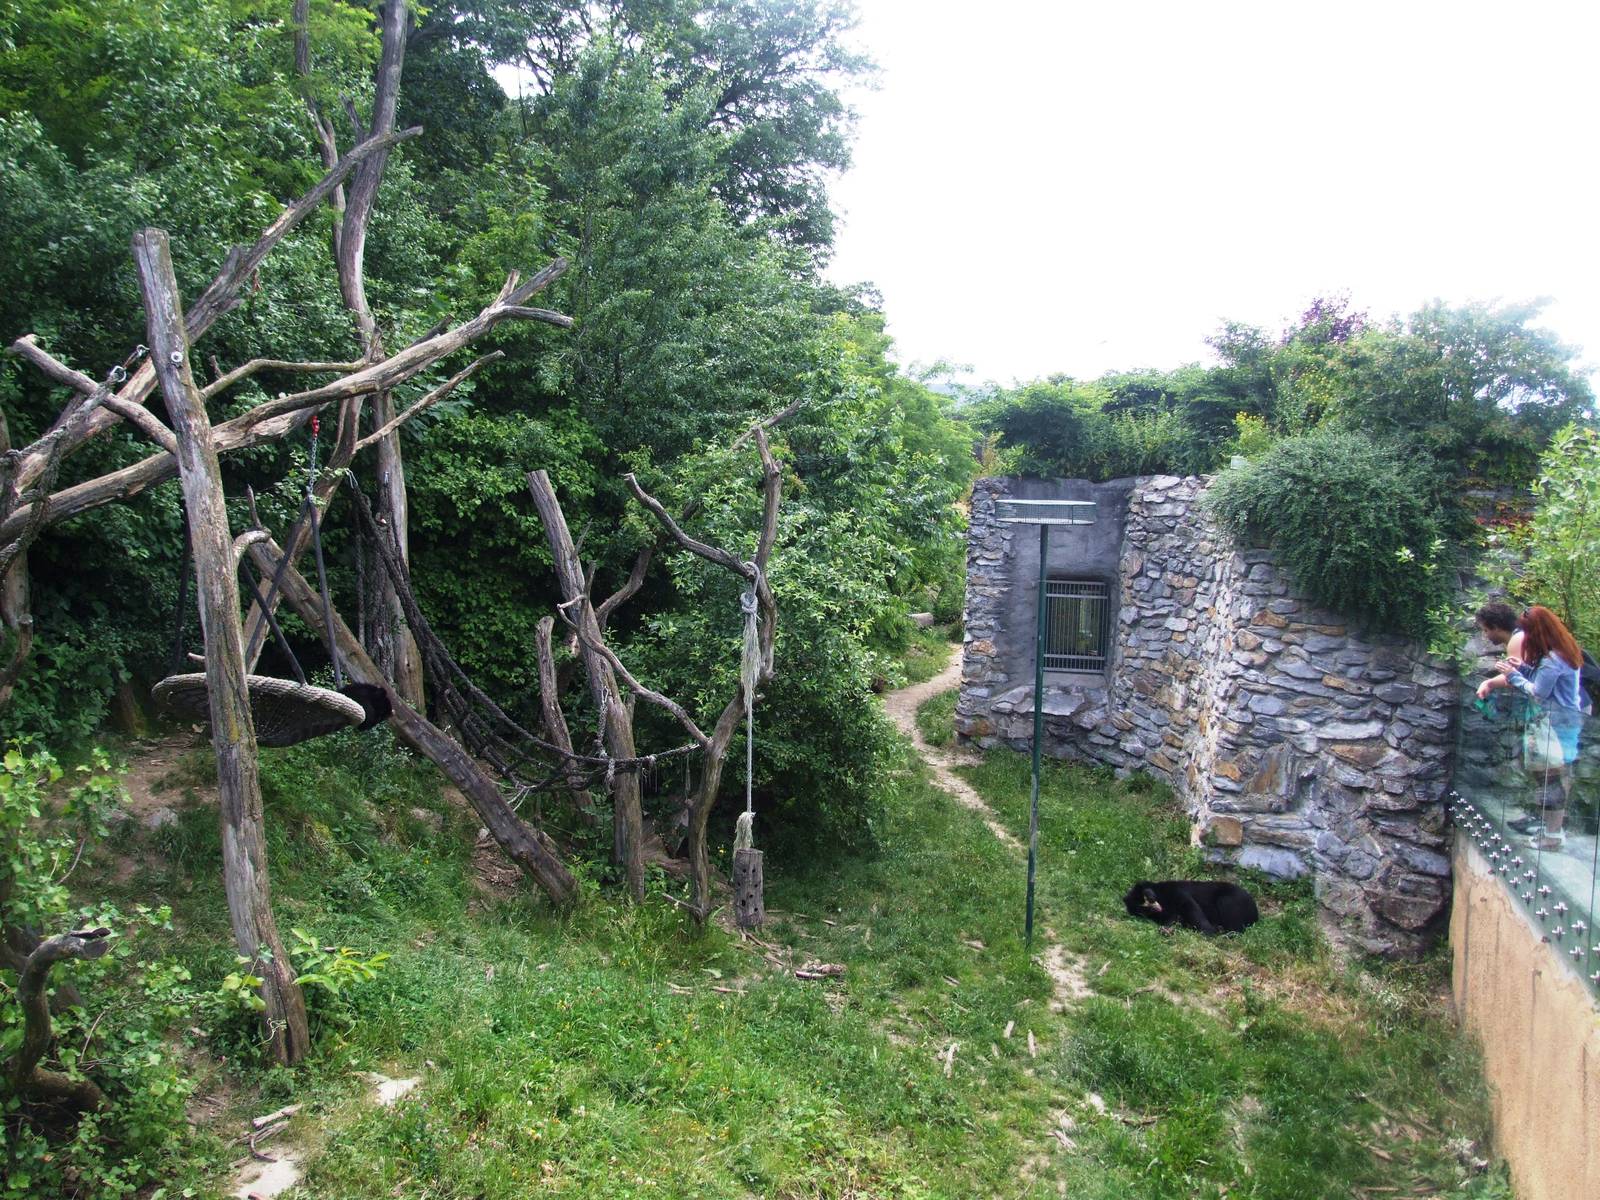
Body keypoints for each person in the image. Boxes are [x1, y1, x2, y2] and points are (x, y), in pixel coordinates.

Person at [1477, 605, 1590, 849]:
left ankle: (1552, 837)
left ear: (1537, 631)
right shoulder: (1560, 653)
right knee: (1553, 778)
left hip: (1557, 725)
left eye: (1527, 631)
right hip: (1563, 723)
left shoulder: (1552, 660)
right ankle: (1551, 830)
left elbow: (1538, 693)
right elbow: (1543, 682)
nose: (1524, 636)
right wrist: (1522, 668)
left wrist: (1513, 675)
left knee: (1552, 780)